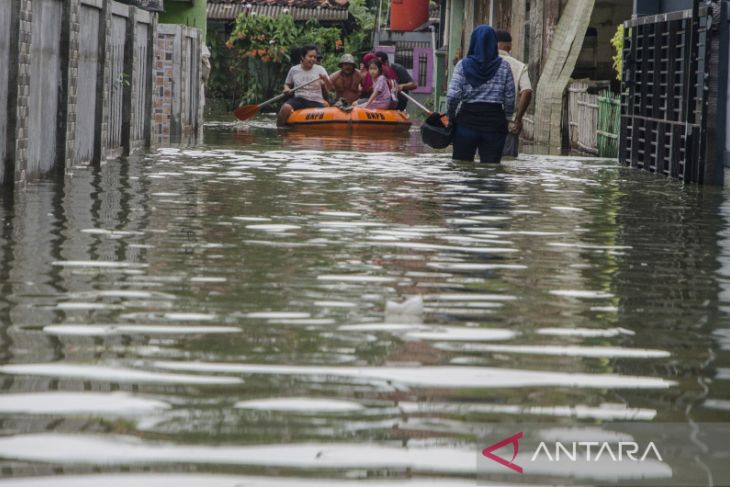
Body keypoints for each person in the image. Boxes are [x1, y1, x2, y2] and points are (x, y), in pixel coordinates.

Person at [447, 25, 515, 163]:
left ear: (473, 42)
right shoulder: (504, 67)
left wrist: (451, 117)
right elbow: (510, 98)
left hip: (466, 124)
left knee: (462, 169)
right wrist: (507, 119)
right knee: (491, 172)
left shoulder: (462, 65)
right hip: (495, 125)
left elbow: (453, 96)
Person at [277, 45, 334, 127]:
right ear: (302, 57)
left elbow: (331, 88)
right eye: (310, 56)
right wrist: (286, 89)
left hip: (316, 100)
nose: (313, 59)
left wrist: (325, 79)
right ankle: (279, 130)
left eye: (315, 57)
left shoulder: (320, 69)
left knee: (327, 110)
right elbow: (287, 84)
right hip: (300, 99)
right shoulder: (294, 70)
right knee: (285, 107)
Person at [496, 31, 533, 157]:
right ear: (510, 46)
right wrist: (517, 119)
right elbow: (527, 91)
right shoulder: (519, 66)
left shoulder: (482, 62)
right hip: (509, 124)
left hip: (483, 123)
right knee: (508, 165)